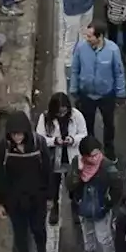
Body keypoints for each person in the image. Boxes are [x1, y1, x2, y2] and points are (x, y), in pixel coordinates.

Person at [0, 112, 56, 252]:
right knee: (20, 232)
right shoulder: (3, 148)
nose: (17, 137)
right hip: (14, 201)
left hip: (37, 198)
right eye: (14, 134)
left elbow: (47, 172)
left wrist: (50, 197)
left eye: (20, 133)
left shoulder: (39, 144)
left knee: (38, 229)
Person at [70, 23, 126, 161]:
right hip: (86, 95)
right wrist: (74, 89)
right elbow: (75, 69)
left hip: (106, 95)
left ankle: (109, 150)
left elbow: (119, 73)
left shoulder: (113, 50)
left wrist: (121, 93)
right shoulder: (80, 48)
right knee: (86, 125)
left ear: (100, 36)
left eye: (90, 36)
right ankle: (90, 150)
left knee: (109, 124)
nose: (87, 38)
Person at [69, 137, 123, 252]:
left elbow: (117, 186)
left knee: (104, 237)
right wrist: (78, 172)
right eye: (91, 156)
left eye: (97, 154)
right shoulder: (77, 163)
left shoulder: (107, 166)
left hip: (101, 209)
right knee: (87, 235)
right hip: (83, 208)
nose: (95, 158)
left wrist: (108, 202)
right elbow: (69, 185)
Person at [39, 93, 88, 225]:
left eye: (64, 111)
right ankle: (55, 208)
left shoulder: (76, 115)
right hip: (54, 160)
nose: (62, 114)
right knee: (53, 186)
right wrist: (54, 141)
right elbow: (40, 138)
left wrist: (72, 140)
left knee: (74, 185)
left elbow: (83, 134)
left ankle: (75, 207)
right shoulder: (44, 118)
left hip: (71, 158)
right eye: (59, 112)